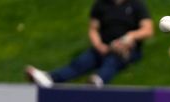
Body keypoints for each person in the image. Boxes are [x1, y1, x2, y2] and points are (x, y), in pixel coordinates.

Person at [25, 0, 153, 89]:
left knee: (113, 61)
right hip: (103, 46)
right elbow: (93, 29)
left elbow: (147, 29)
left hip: (127, 49)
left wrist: (129, 37)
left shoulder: (137, 5)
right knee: (81, 62)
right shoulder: (101, 5)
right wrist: (98, 45)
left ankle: (97, 81)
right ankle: (50, 79)